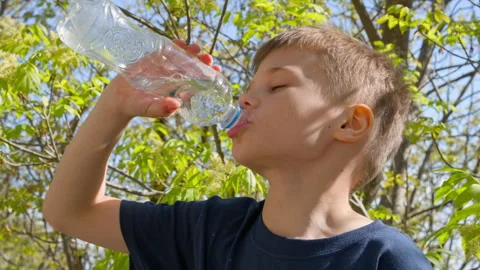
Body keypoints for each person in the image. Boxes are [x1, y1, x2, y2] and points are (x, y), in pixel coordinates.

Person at [43, 25, 432, 269]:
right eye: (248, 88)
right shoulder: (207, 231)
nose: (244, 99)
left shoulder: (387, 259)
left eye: (277, 86)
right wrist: (115, 105)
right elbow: (71, 212)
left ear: (349, 123)